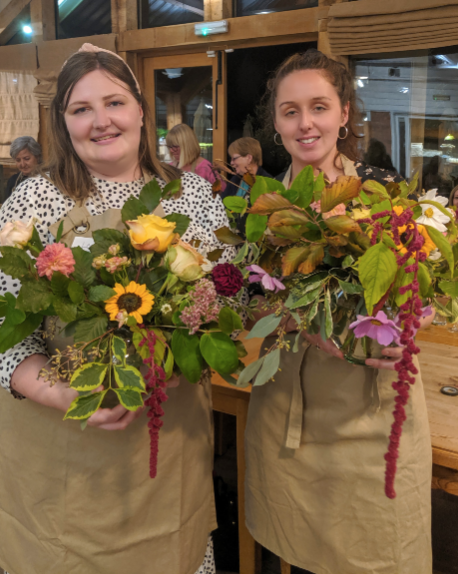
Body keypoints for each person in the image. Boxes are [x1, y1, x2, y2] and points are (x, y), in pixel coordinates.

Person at [0, 44, 235, 574]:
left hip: (168, 448)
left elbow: (229, 300)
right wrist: (60, 392)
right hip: (61, 458)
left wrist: (186, 349)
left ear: (141, 110)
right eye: (81, 109)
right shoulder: (33, 200)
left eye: (114, 102)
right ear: (63, 122)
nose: (101, 122)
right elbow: (3, 327)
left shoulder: (193, 196)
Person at [244, 50, 434, 574]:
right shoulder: (258, 206)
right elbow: (244, 304)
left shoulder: (386, 192)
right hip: (289, 410)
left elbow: (426, 285)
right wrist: (299, 324)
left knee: (380, 551)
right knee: (299, 551)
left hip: (372, 411)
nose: (306, 123)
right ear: (276, 123)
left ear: (344, 113)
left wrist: (413, 323)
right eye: (290, 111)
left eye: (319, 107)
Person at [221, 137, 271, 236]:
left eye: (234, 158)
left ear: (249, 158)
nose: (231, 163)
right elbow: (221, 205)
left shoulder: (266, 183)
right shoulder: (235, 180)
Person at [166, 123, 225, 191]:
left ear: (188, 145)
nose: (171, 150)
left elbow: (221, 193)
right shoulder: (170, 168)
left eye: (175, 146)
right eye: (169, 146)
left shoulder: (206, 168)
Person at [3, 136, 42, 202]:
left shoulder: (47, 179)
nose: (23, 164)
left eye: (26, 159)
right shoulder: (13, 181)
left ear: (37, 157)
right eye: (18, 160)